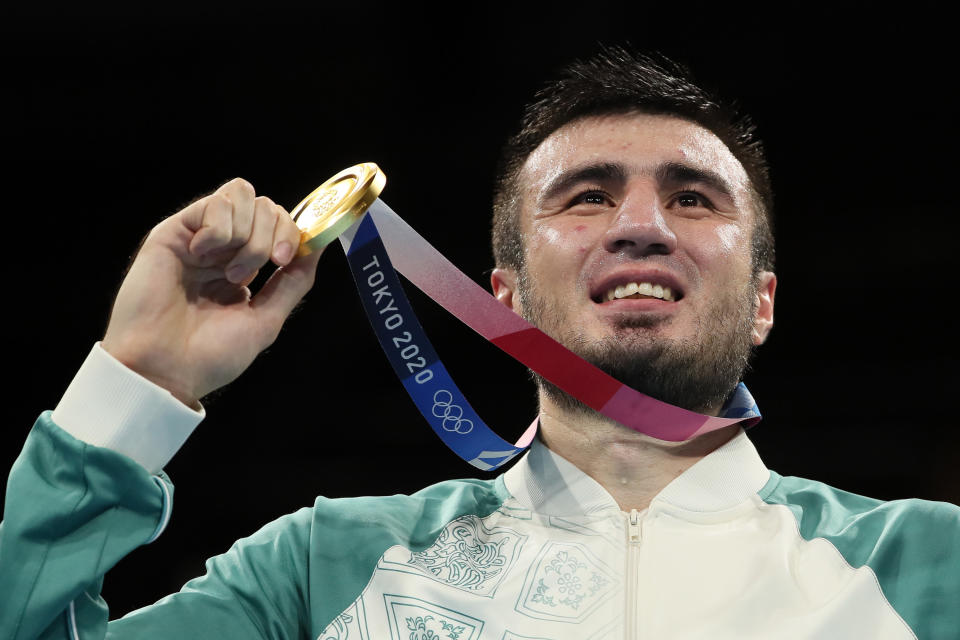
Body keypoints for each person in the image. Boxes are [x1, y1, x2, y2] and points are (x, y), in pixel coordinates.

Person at [2, 47, 957, 640]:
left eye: (692, 197)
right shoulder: (320, 568)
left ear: (762, 302)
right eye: (586, 196)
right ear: (503, 297)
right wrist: (134, 388)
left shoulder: (929, 565)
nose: (641, 225)